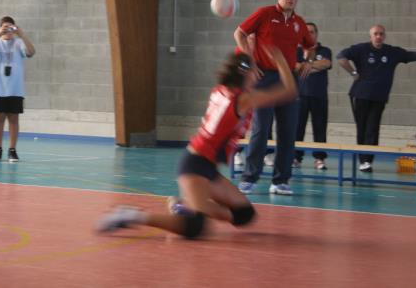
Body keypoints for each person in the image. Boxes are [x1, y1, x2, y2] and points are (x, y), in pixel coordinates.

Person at [95, 47, 297, 239]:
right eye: (254, 70)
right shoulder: (243, 99)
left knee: (244, 214)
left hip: (207, 167)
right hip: (195, 165)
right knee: (194, 226)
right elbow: (289, 91)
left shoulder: (222, 89)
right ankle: (132, 215)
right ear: (245, 73)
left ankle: (184, 204)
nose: (258, 74)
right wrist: (280, 61)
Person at [234, 0, 315, 195]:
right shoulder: (264, 14)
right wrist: (250, 62)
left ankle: (281, 181)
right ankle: (249, 177)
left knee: (288, 132)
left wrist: (308, 61)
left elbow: (311, 46)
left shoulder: (299, 23)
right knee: (261, 129)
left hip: (288, 79)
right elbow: (239, 33)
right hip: (264, 78)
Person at [337, 24, 416, 172]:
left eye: (381, 34)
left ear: (384, 36)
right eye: (375, 34)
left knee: (373, 128)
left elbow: (414, 55)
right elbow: (341, 57)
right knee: (362, 129)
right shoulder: (360, 49)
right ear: (371, 36)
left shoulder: (392, 52)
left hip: (379, 97)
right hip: (360, 95)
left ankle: (368, 161)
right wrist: (353, 73)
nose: (378, 36)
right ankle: (363, 160)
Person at [0, 16, 35, 163]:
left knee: (14, 118)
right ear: (0, 28)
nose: (8, 30)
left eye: (11, 27)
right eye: (5, 27)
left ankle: (12, 150)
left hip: (15, 89)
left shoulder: (19, 43)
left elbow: (31, 52)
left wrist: (22, 35)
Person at [294, 23, 332, 170]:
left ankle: (319, 159)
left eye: (312, 32)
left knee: (320, 128)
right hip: (300, 96)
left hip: (319, 96)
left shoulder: (325, 50)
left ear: (316, 34)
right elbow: (295, 67)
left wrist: (305, 66)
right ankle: (296, 157)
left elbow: (326, 63)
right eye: (306, 32)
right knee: (297, 129)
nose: (309, 34)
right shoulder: (296, 51)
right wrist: (315, 66)